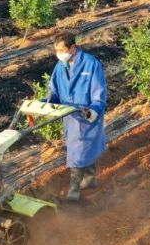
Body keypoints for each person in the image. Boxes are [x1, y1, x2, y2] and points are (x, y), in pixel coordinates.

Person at [44, 32, 108, 202]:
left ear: (73, 48)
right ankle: (90, 179)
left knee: (78, 154)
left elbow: (99, 94)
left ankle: (73, 193)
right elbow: (53, 92)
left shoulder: (90, 64)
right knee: (84, 150)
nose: (58, 54)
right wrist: (44, 102)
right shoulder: (60, 66)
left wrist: (93, 110)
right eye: (56, 50)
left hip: (86, 116)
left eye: (61, 50)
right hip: (69, 117)